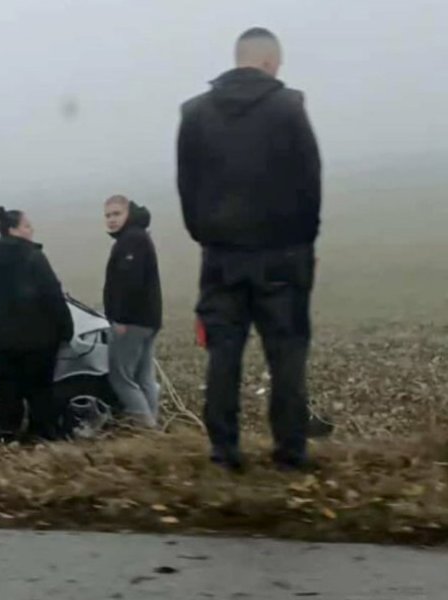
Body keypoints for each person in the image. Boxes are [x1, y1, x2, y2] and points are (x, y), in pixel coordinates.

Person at [176, 27, 322, 472]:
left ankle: (223, 451)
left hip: (221, 256)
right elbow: (309, 182)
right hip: (283, 255)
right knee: (287, 355)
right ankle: (290, 453)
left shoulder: (195, 113)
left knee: (223, 355)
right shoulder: (288, 108)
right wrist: (304, 241)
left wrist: (206, 234)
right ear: (268, 61)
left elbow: (187, 186)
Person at [0, 206, 74, 442]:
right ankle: (42, 439)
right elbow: (53, 296)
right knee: (40, 393)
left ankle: (8, 438)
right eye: (27, 226)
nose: (32, 230)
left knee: (8, 392)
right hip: (38, 342)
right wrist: (66, 330)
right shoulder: (33, 257)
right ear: (13, 230)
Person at [102, 195, 162, 428]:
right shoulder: (138, 237)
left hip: (132, 322)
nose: (111, 220)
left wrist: (120, 318)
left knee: (122, 379)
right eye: (107, 215)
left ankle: (146, 430)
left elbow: (130, 283)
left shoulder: (131, 240)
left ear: (129, 213)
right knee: (143, 377)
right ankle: (153, 428)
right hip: (148, 320)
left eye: (117, 214)